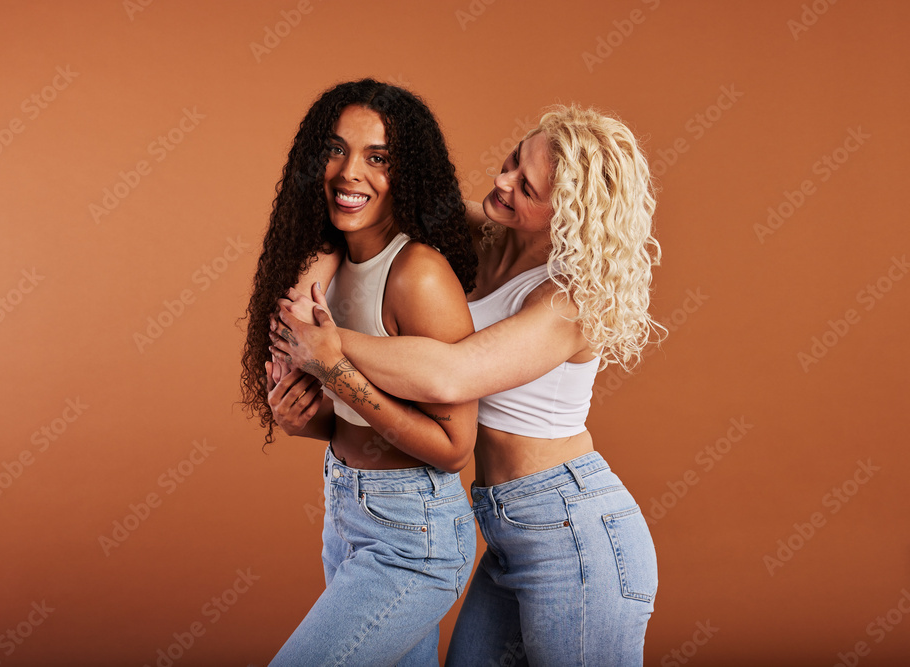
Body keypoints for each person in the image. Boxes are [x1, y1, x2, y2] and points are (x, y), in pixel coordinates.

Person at [272, 104, 664, 666]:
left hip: (574, 532)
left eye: (526, 187)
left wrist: (330, 349)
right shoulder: (485, 232)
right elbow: (364, 213)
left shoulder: (567, 301)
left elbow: (449, 374)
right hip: (506, 528)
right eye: (511, 161)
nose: (502, 183)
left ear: (568, 215)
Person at [241, 79, 480, 666]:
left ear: (408, 175)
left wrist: (335, 370)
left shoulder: (417, 274)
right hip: (347, 508)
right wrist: (308, 419)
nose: (350, 172)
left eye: (378, 158)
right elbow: (356, 420)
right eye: (336, 149)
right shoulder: (329, 261)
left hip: (412, 533)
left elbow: (453, 449)